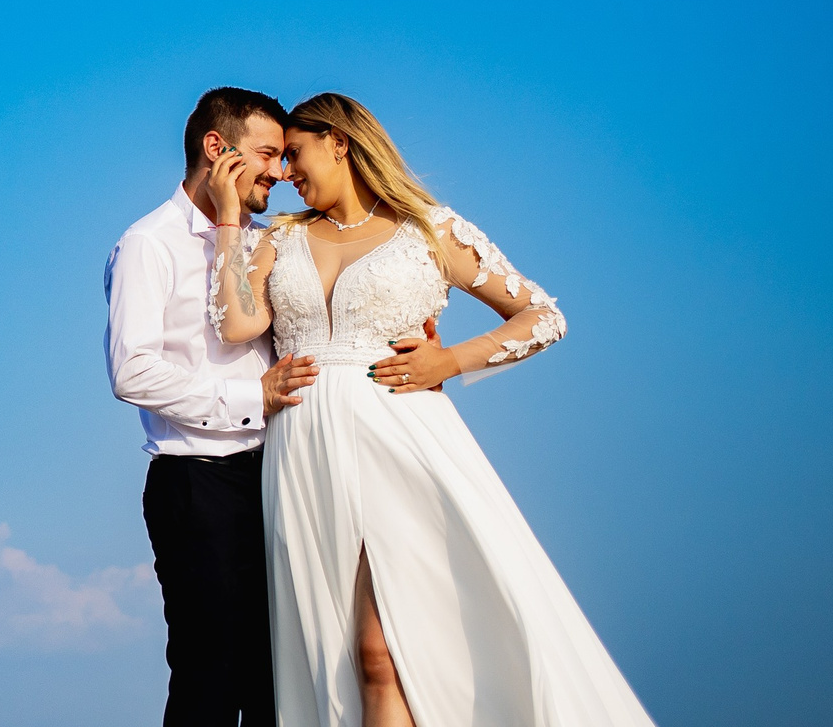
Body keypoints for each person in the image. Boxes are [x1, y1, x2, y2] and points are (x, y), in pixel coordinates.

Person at [207, 92, 656, 727]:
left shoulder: (430, 230)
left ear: (340, 142)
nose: (284, 173)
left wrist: (450, 362)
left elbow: (543, 316)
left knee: (381, 652)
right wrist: (229, 219)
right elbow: (236, 324)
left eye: (296, 153)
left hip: (403, 442)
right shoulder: (277, 238)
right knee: (336, 656)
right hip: (305, 454)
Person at [106, 87, 321, 725]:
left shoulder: (267, 242)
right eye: (268, 154)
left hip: (280, 471)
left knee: (276, 674)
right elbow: (131, 371)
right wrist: (250, 398)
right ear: (216, 149)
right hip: (197, 479)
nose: (281, 173)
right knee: (210, 669)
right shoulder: (149, 243)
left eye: (286, 158)